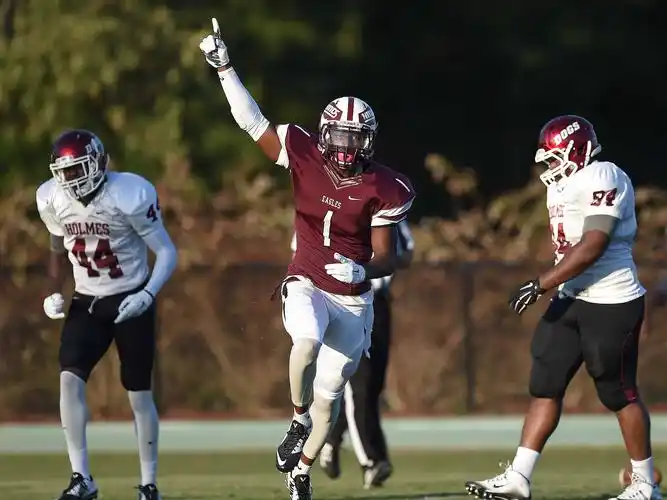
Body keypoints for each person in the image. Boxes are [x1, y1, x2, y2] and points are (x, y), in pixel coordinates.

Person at [199, 18, 415, 500]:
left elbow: (387, 256)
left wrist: (363, 269)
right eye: (339, 137)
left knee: (331, 398)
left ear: (369, 141)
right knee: (305, 343)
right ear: (323, 135)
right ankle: (296, 422)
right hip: (309, 280)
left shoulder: (385, 186)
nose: (345, 148)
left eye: (355, 139)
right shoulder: (302, 153)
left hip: (355, 299)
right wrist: (225, 69)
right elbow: (251, 122)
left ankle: (301, 471)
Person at [465, 115, 661, 500]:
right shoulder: (561, 187)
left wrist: (541, 284)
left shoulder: (603, 174)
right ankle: (519, 477)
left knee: (617, 392)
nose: (551, 167)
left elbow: (594, 244)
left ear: (576, 149)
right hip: (572, 297)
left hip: (611, 299)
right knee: (545, 381)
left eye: (555, 157)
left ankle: (644, 482)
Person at [37, 129, 178, 500]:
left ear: (98, 162)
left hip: (131, 298)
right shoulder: (52, 198)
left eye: (78, 169)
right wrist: (53, 289)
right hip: (87, 301)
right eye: (64, 173)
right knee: (69, 379)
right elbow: (57, 244)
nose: (71, 180)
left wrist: (148, 294)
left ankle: (149, 484)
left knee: (138, 395)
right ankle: (81, 478)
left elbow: (166, 251)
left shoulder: (129, 194)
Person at [291, 220, 414, 489]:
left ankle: (331, 439)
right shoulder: (323, 207)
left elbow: (406, 252)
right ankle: (372, 460)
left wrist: (378, 262)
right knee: (356, 384)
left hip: (377, 301)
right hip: (340, 301)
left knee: (372, 386)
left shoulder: (386, 205)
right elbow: (299, 251)